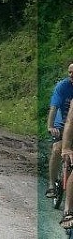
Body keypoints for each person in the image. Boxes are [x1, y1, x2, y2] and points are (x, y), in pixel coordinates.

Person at [47, 63, 73, 197]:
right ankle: (51, 185)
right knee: (57, 148)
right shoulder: (63, 86)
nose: (71, 75)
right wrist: (50, 127)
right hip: (61, 123)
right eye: (69, 72)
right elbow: (54, 107)